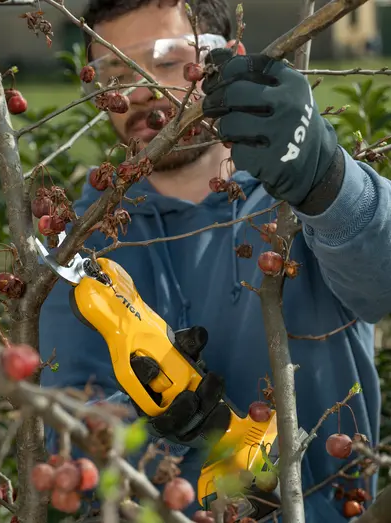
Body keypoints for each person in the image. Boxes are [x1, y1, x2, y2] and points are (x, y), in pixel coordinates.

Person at [39, 0, 389, 520]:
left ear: (227, 62)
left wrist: (326, 182)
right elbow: (71, 435)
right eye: (114, 72)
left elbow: (382, 286)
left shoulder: (295, 203)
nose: (140, 91)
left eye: (165, 61)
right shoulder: (81, 248)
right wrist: (156, 429)